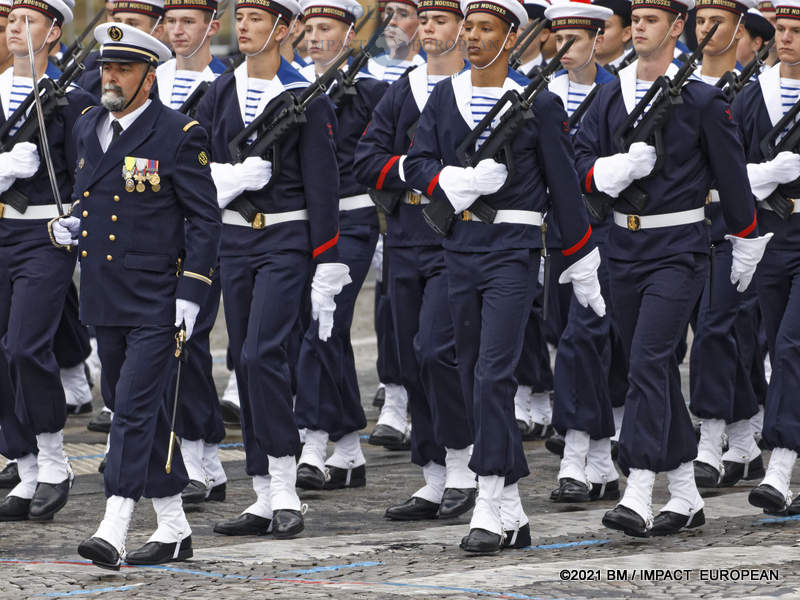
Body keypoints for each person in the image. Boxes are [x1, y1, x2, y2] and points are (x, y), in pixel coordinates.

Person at [404, 0, 604, 553]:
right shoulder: (446, 95)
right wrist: (452, 178)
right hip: (459, 247)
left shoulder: (539, 103)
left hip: (513, 251)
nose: (470, 36)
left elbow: (565, 187)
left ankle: (490, 500)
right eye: (467, 26)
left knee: (494, 375)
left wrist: (582, 257)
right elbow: (416, 160)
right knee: (448, 360)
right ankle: (512, 507)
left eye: (484, 28)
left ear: (511, 37)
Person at [573, 0, 769, 538]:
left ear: (676, 27)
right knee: (651, 369)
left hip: (679, 250)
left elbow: (732, 179)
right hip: (621, 247)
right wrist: (606, 171)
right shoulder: (609, 91)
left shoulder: (703, 100)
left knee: (645, 363)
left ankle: (638, 488)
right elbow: (579, 159)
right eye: (634, 20)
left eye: (651, 20)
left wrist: (746, 238)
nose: (638, 27)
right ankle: (684, 489)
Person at [55, 22, 220, 569]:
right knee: (139, 411)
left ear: (150, 77)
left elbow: (204, 219)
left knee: (130, 408)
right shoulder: (87, 127)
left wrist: (191, 295)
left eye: (124, 69)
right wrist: (68, 226)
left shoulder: (179, 133)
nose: (111, 77)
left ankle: (115, 522)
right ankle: (173, 527)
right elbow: (91, 203)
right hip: (104, 294)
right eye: (107, 67)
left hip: (158, 298)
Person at [196, 0, 349, 540]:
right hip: (235, 239)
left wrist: (328, 260)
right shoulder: (219, 91)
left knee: (263, 352)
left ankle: (284, 483)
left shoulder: (305, 96)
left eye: (257, 20)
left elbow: (324, 185)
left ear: (285, 29)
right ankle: (262, 492)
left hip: (287, 239)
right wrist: (231, 177)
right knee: (244, 356)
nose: (243, 27)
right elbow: (197, 159)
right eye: (240, 19)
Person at [354, 0, 479, 523]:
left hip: (456, 236)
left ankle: (463, 464)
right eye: (423, 21)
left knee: (437, 350)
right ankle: (432, 474)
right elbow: (367, 158)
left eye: (441, 21)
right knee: (408, 358)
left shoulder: (480, 89)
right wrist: (418, 168)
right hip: (406, 232)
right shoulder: (402, 88)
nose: (428, 30)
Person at [0, 0, 94, 524]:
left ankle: (55, 459)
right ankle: (25, 463)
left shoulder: (72, 100)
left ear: (54, 31)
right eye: (11, 20)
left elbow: (91, 170)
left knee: (25, 346)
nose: (16, 28)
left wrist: (77, 218)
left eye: (28, 20)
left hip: (45, 235)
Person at [293, 0, 386, 491]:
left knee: (324, 323)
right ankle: (348, 448)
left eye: (325, 28)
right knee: (321, 330)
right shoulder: (292, 87)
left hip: (350, 220)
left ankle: (312, 439)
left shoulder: (370, 91)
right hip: (300, 224)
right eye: (308, 28)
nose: (314, 37)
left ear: (351, 35)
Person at [542, 0, 621, 506]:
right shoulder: (540, 93)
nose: (565, 49)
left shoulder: (620, 93)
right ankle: (602, 459)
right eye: (558, 39)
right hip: (557, 234)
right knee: (563, 334)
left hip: (608, 230)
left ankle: (577, 453)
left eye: (576, 39)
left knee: (585, 338)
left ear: (597, 39)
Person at [689, 0, 765, 492]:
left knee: (718, 326)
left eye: (717, 22)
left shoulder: (753, 93)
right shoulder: (677, 87)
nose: (706, 30)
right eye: (698, 21)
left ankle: (710, 436)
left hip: (734, 220)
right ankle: (746, 438)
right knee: (717, 327)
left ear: (741, 31)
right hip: (683, 221)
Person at [156, 0, 229, 506]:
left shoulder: (229, 84)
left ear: (211, 26)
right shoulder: (148, 78)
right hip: (150, 234)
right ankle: (181, 452)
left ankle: (203, 456)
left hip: (203, 230)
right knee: (160, 348)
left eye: (189, 21)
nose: (178, 31)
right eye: (172, 21)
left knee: (192, 342)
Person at [733, 0, 800, 516]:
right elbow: (731, 167)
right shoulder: (753, 94)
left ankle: (779, 466)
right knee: (779, 346)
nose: (786, 38)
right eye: (781, 29)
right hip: (772, 232)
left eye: (797, 30)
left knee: (793, 344)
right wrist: (767, 174)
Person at [76, 0, 166, 100]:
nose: (121, 29)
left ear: (157, 31)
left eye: (132, 24)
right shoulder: (90, 73)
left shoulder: (165, 78)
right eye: (117, 22)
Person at [595, 0, 632, 69]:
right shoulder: (574, 72)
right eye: (592, 26)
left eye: (603, 27)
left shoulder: (633, 73)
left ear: (626, 34)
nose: (595, 33)